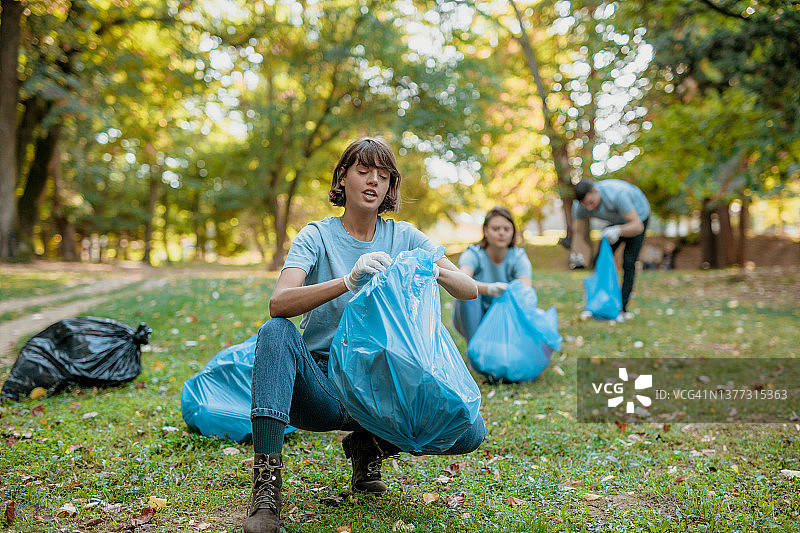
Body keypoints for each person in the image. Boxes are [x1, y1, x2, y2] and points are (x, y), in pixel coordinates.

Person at [243, 137, 485, 533]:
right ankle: (266, 489)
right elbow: (279, 303)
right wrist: (347, 280)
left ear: (391, 187)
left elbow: (468, 288)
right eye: (363, 171)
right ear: (343, 176)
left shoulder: (404, 235)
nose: (374, 181)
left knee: (470, 430)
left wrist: (426, 266)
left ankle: (368, 445)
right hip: (327, 388)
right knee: (275, 332)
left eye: (384, 175)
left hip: (387, 389)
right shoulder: (316, 236)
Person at [571, 178, 651, 321]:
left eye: (591, 203)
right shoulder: (580, 206)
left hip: (638, 219)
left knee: (628, 262)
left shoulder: (619, 195)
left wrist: (618, 230)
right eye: (585, 205)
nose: (589, 208)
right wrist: (578, 253)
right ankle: (595, 304)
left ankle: (622, 309)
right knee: (599, 261)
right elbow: (578, 231)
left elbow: (637, 226)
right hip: (616, 222)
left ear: (595, 191)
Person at [452, 206, 532, 342]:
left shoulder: (518, 256)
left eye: (506, 229)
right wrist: (489, 289)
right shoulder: (473, 253)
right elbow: (461, 280)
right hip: (473, 317)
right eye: (495, 229)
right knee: (468, 294)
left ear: (513, 232)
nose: (501, 233)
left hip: (503, 316)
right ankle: (473, 353)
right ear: (485, 230)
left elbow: (525, 290)